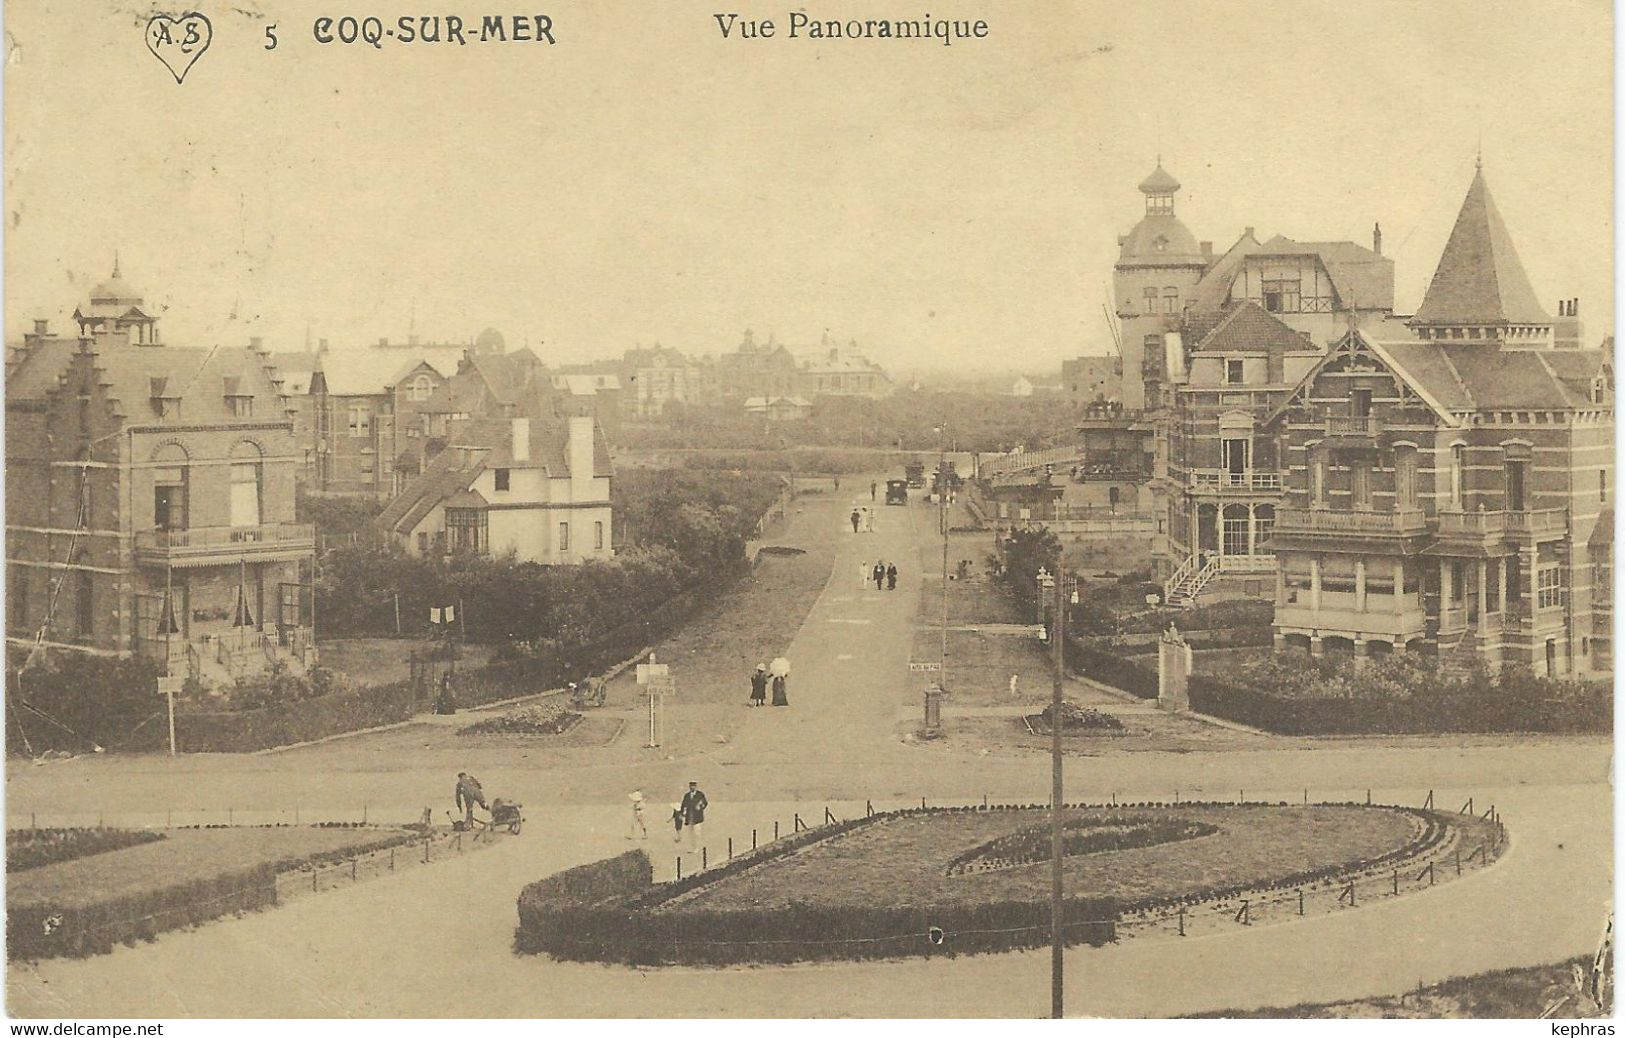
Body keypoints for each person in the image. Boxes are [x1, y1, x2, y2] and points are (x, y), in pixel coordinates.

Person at [680, 781, 709, 851]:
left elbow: (705, 803)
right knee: (690, 833)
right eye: (691, 786)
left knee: (697, 833)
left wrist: (700, 807)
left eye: (693, 786)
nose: (692, 787)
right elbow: (683, 805)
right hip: (689, 817)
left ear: (696, 787)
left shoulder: (700, 794)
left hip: (697, 817)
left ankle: (697, 847)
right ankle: (692, 848)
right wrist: (682, 813)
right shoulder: (687, 795)